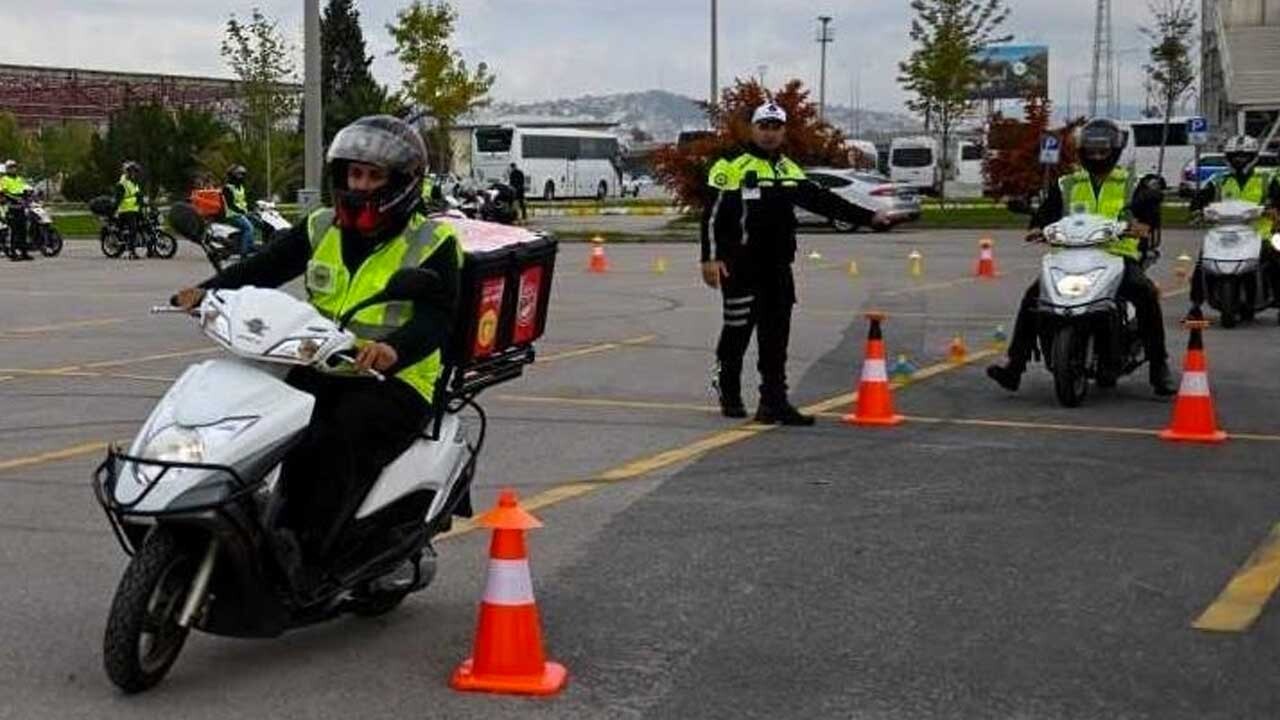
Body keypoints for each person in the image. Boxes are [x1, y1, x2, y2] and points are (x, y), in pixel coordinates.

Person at [172, 115, 463, 594]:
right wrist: (205, 293)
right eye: (355, 174)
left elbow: (437, 316)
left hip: (398, 381)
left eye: (374, 176)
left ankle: (310, 557)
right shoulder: (322, 225)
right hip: (324, 362)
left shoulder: (432, 242)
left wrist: (394, 348)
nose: (361, 185)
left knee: (332, 438)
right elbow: (265, 267)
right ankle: (264, 527)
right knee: (265, 423)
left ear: (402, 184)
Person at [701, 101, 875, 425]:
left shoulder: (788, 169)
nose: (769, 133)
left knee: (775, 336)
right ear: (752, 128)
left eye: (775, 127)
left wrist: (869, 217)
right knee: (737, 332)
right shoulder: (730, 165)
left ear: (783, 131)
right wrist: (709, 259)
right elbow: (711, 215)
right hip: (740, 266)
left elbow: (823, 200)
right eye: (763, 126)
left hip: (778, 268)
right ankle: (729, 389)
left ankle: (774, 402)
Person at [987, 118, 1177, 396]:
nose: (1097, 156)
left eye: (1102, 151)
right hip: (1069, 256)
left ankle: (1159, 367)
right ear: (1082, 151)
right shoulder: (1067, 183)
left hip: (1117, 256)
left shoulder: (1132, 183)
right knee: (1033, 297)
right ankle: (1014, 366)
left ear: (1114, 150)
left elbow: (1149, 208)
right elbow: (1048, 212)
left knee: (1144, 292)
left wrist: (1144, 224)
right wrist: (1037, 227)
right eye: (1091, 151)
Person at [1187, 134, 1280, 321]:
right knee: (1203, 259)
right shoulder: (1219, 180)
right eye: (1235, 155)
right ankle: (1196, 304)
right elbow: (1200, 198)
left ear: (1253, 156)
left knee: (1275, 258)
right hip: (1224, 232)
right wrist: (1197, 210)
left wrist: (1274, 210)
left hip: (1259, 233)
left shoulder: (1266, 179)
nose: (1239, 159)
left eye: (1244, 155)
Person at [0, 160, 33, 261]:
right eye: (11, 167)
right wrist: (16, 198)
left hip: (21, 208)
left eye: (14, 167)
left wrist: (27, 196)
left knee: (23, 230)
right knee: (13, 231)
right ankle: (13, 253)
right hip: (11, 208)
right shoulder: (4, 179)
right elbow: (4, 193)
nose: (13, 169)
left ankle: (24, 252)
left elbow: (24, 189)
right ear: (7, 169)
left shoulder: (19, 179)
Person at [221, 164, 256, 257]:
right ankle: (244, 252)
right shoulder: (227, 188)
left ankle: (251, 245)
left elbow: (244, 201)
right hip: (233, 215)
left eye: (243, 174)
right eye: (239, 174)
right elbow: (230, 205)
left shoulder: (240, 187)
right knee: (249, 228)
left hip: (241, 214)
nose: (241, 177)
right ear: (233, 175)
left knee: (258, 222)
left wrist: (253, 208)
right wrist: (243, 212)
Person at [114, 161, 144, 259]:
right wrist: (115, 210)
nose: (135, 174)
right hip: (126, 210)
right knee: (133, 229)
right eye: (133, 172)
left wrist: (143, 203)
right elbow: (118, 199)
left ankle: (150, 249)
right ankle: (131, 252)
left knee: (145, 226)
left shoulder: (133, 183)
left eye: (136, 172)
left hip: (135, 209)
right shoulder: (122, 184)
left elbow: (138, 195)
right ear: (127, 172)